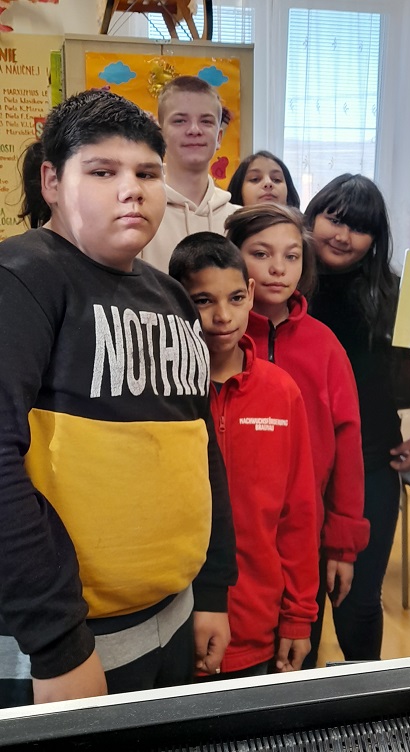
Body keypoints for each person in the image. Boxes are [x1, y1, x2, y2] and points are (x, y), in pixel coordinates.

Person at [0, 90, 237, 709]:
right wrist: (58, 646)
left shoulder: (172, 296)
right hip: (66, 648)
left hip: (173, 616)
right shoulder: (22, 279)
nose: (131, 190)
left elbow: (200, 448)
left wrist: (212, 590)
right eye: (103, 172)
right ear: (52, 182)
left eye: (147, 174)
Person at [304, 174, 410, 661]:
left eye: (360, 228)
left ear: (376, 238)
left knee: (359, 603)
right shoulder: (284, 285)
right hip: (294, 470)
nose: (344, 236)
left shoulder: (394, 294)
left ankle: (367, 697)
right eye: (334, 220)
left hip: (369, 464)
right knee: (300, 605)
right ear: (312, 217)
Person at [225, 204, 370, 669]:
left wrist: (342, 545)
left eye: (291, 256)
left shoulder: (324, 345)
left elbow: (347, 446)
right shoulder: (218, 338)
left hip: (304, 541)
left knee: (297, 659)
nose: (277, 269)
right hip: (233, 537)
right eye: (260, 254)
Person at [169, 232, 319, 677]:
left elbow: (298, 513)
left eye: (236, 298)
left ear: (251, 294)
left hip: (257, 627)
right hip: (172, 628)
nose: (223, 316)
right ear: (175, 300)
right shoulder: (159, 390)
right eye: (202, 301)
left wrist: (299, 615)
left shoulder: (281, 392)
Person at [142, 75, 240, 272]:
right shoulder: (139, 212)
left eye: (206, 121)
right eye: (180, 121)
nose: (194, 130)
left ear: (219, 138)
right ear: (160, 134)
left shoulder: (238, 221)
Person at [227, 151, 301, 208]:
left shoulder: (301, 223)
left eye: (276, 180)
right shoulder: (223, 222)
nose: (268, 183)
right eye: (255, 179)